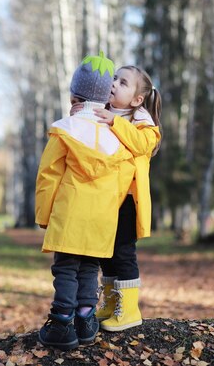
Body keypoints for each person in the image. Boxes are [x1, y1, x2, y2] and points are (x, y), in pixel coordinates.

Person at [35, 52, 136, 350]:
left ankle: (62, 322)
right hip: (101, 218)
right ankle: (86, 319)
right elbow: (121, 183)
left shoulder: (65, 130)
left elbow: (48, 177)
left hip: (70, 214)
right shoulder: (116, 137)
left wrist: (44, 215)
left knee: (66, 268)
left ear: (73, 96)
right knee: (90, 268)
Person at [73, 65, 162, 332]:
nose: (113, 84)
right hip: (106, 198)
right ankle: (112, 304)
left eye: (123, 82)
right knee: (106, 253)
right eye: (114, 78)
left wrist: (115, 122)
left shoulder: (140, 117)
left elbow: (144, 143)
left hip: (127, 200)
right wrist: (78, 113)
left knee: (123, 253)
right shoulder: (105, 110)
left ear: (137, 99)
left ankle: (130, 310)